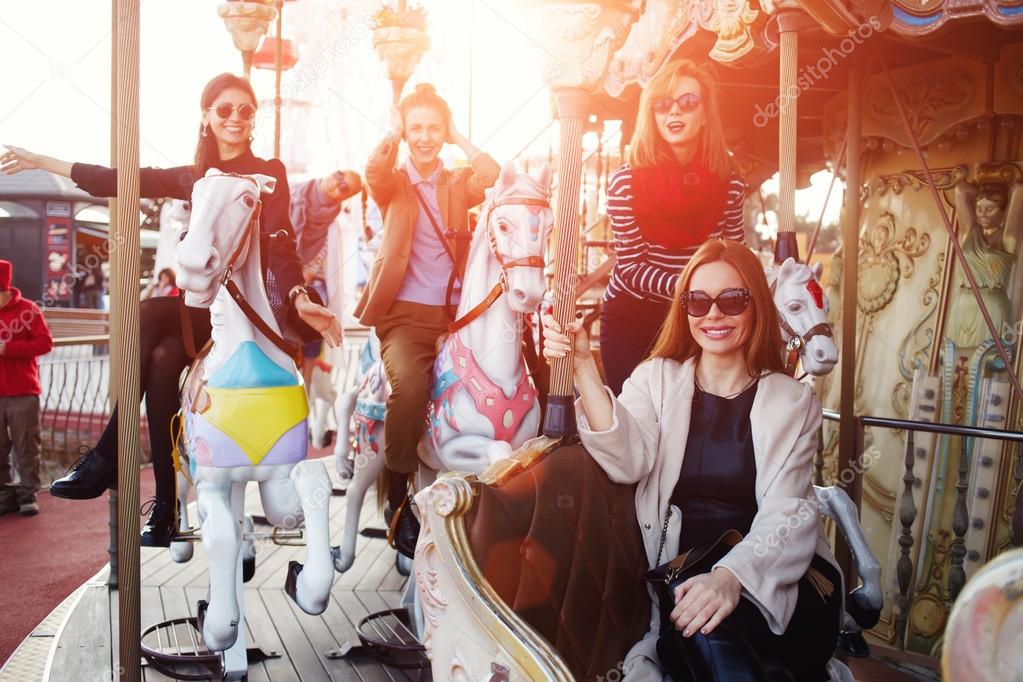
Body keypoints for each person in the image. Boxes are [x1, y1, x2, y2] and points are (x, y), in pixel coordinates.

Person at [0, 73, 342, 545]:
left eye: (245, 111)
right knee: (160, 366)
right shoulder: (193, 177)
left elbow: (282, 244)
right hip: (204, 306)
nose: (235, 119)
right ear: (206, 116)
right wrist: (43, 159)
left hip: (247, 305)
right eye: (224, 109)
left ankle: (108, 456)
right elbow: (118, 180)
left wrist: (301, 297)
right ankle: (162, 509)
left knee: (147, 314)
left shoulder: (268, 172)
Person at [542, 239, 842, 681]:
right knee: (696, 624)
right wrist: (584, 364)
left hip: (774, 574)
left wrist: (731, 578)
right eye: (697, 302)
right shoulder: (656, 379)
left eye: (732, 300)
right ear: (684, 310)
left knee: (702, 627)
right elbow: (626, 461)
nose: (713, 315)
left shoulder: (792, 401)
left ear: (756, 305)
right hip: (685, 575)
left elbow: (788, 512)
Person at [357, 83, 499, 555]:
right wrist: (394, 132)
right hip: (405, 318)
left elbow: (492, 173)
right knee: (412, 389)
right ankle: (398, 495)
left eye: (432, 128)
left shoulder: (457, 182)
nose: (424, 137)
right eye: (416, 128)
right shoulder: (393, 181)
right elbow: (374, 167)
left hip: (458, 316)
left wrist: (458, 134)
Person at [601, 59, 747, 396]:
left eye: (689, 102)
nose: (674, 113)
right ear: (651, 116)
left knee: (694, 420)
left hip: (698, 318)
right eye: (662, 105)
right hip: (633, 316)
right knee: (634, 420)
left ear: (706, 113)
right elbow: (633, 266)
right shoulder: (625, 182)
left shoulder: (730, 182)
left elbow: (733, 258)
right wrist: (695, 293)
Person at [290, 170, 363, 386]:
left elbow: (320, 261)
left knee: (315, 304)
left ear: (344, 197)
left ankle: (307, 383)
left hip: (310, 280)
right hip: (281, 272)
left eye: (344, 187)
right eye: (340, 175)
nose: (337, 182)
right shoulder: (294, 192)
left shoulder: (332, 225)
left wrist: (302, 279)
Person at [0, 259, 53, 516]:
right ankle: (4, 496)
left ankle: (27, 495)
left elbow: (45, 344)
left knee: (26, 447)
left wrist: (9, 349)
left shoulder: (29, 310)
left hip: (23, 390)